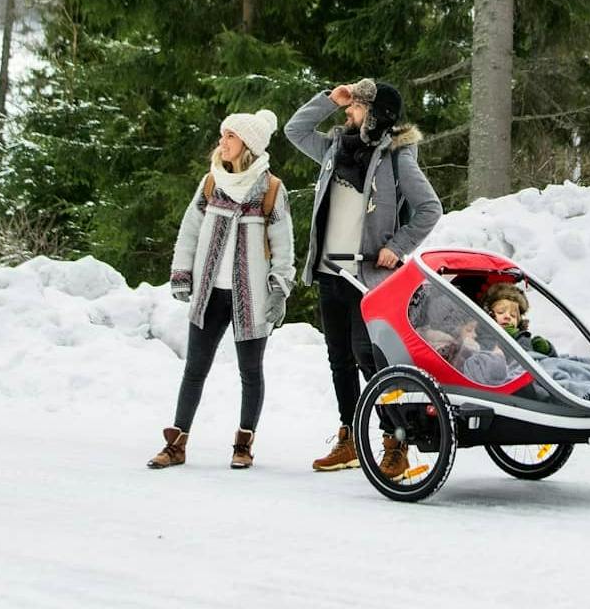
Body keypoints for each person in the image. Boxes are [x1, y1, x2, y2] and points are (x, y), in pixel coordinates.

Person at [285, 78, 443, 475]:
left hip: (366, 275)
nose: (348, 112)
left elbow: (429, 208)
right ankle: (350, 437)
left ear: (377, 115)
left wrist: (398, 246)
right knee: (339, 358)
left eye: (356, 107)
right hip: (329, 271)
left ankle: (397, 440)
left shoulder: (396, 157)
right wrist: (329, 100)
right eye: (349, 106)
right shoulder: (335, 148)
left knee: (368, 356)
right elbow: (295, 130)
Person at [148, 109, 294, 471]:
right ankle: (177, 443)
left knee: (250, 372)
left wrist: (279, 290)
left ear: (248, 144)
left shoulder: (271, 189)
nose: (222, 142)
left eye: (230, 136)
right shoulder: (210, 183)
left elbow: (284, 247)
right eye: (222, 135)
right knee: (194, 369)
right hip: (210, 294)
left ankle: (243, 444)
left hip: (251, 297)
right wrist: (182, 275)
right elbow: (189, 232)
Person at [481, 283, 554, 357]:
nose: (507, 317)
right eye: (501, 312)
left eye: (513, 315)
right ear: (488, 314)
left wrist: (547, 351)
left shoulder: (523, 337)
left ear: (518, 322)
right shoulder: (481, 337)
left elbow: (552, 362)